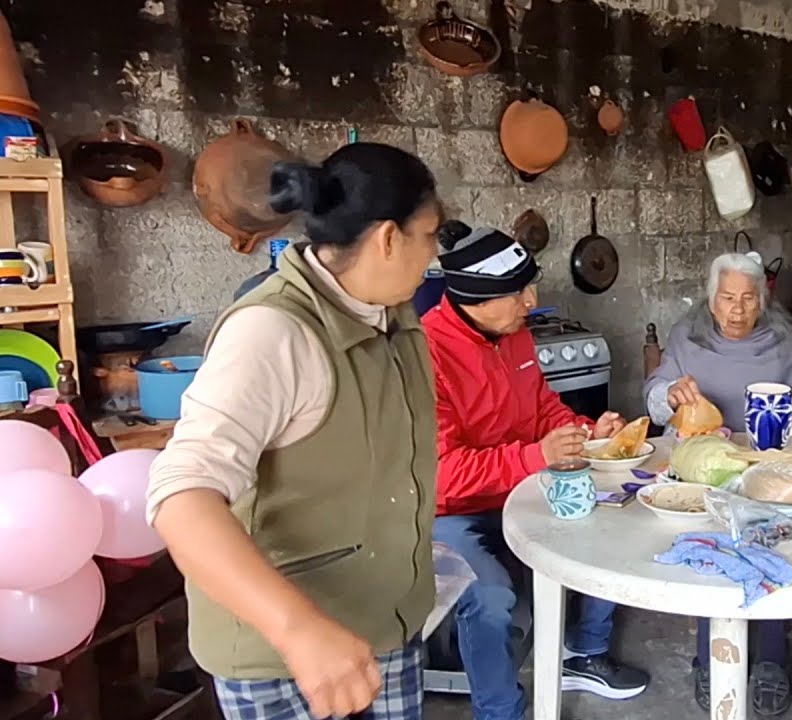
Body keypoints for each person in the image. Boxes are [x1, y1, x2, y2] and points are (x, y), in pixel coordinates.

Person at [146, 144, 444, 720]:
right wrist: (299, 628)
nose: (432, 255)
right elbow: (180, 497)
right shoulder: (274, 333)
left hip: (384, 626)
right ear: (387, 238)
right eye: (429, 236)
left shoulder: (394, 317)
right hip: (285, 654)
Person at [422, 221, 650, 720]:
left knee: (612, 523)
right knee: (489, 597)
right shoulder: (426, 355)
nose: (532, 303)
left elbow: (543, 408)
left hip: (522, 489)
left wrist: (587, 431)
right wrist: (536, 457)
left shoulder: (515, 335)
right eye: (519, 293)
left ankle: (583, 653)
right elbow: (442, 475)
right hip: (451, 512)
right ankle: (500, 712)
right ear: (477, 301)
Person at [642, 251, 792, 716]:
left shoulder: (785, 345)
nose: (736, 309)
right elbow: (654, 399)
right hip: (705, 468)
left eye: (747, 298)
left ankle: (772, 661)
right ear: (711, 299)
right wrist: (669, 395)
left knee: (774, 547)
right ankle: (710, 657)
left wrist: (791, 470)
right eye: (727, 298)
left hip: (766, 467)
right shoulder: (687, 336)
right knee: (712, 548)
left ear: (762, 301)